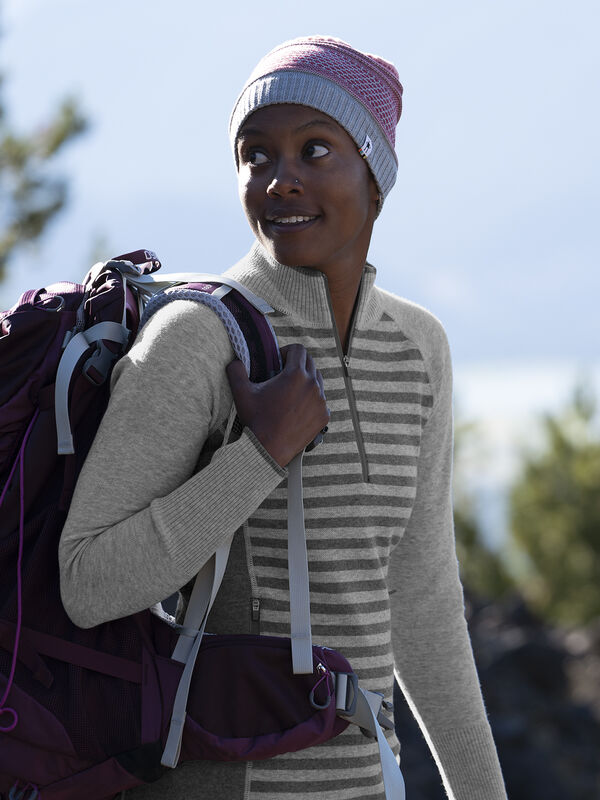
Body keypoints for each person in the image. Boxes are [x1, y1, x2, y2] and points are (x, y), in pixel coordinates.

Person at [59, 35, 507, 800]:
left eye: (315, 149)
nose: (281, 180)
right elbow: (88, 581)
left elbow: (423, 605)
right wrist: (260, 456)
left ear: (376, 176)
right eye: (256, 155)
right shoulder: (197, 340)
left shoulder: (419, 349)